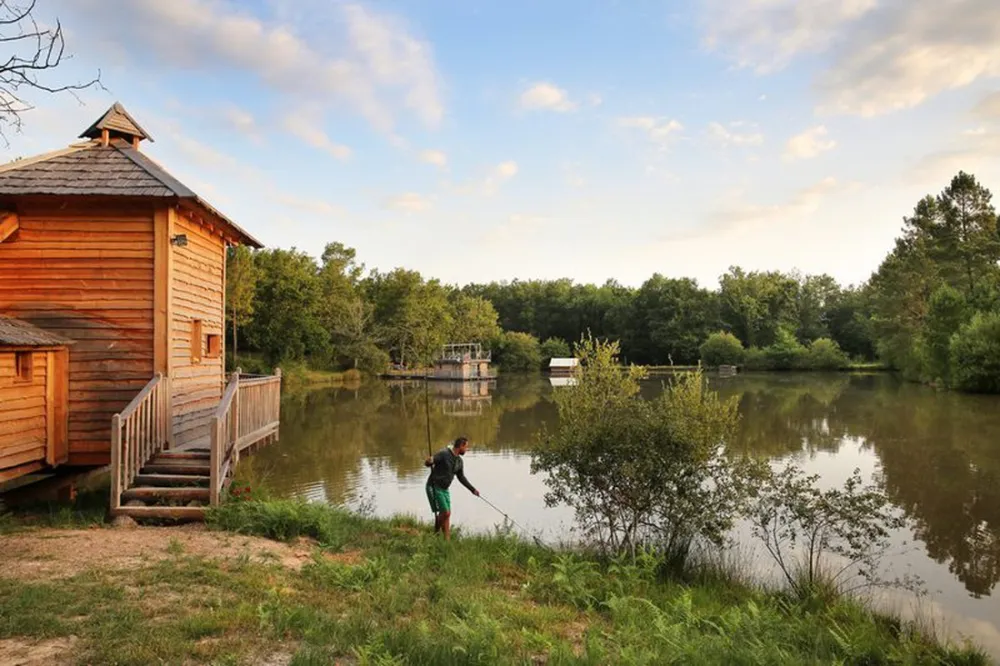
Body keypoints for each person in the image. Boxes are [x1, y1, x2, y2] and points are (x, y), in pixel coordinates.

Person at [424, 436, 479, 540]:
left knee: (447, 515)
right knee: (446, 513)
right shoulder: (444, 453)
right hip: (434, 486)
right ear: (461, 446)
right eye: (466, 447)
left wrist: (473, 490)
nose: (467, 449)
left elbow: (461, 477)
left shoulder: (459, 461)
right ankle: (436, 532)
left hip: (445, 489)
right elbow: (428, 463)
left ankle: (447, 540)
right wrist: (429, 461)